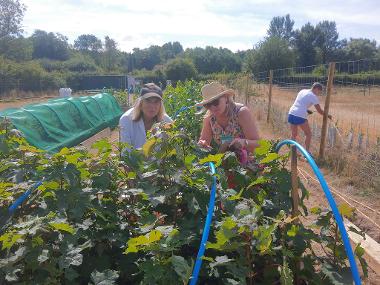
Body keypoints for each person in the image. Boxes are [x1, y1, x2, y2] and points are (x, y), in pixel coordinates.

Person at [197, 82, 260, 157]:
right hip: (227, 159)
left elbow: (258, 143)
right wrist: (202, 144)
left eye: (215, 102)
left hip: (249, 159)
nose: (212, 107)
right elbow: (205, 140)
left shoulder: (241, 113)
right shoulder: (209, 118)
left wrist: (244, 142)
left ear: (226, 98)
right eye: (208, 105)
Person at [119, 83, 172, 149]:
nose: (152, 106)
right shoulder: (126, 120)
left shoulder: (167, 122)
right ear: (140, 103)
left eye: (156, 102)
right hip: (134, 159)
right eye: (148, 101)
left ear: (160, 104)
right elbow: (126, 151)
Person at [288, 82, 332, 153]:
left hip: (291, 113)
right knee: (308, 134)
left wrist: (307, 110)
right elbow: (320, 111)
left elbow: (300, 103)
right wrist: (328, 115)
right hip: (300, 115)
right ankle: (306, 153)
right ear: (316, 89)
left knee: (294, 134)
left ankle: (293, 152)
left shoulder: (302, 91)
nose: (319, 94)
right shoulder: (314, 97)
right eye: (319, 92)